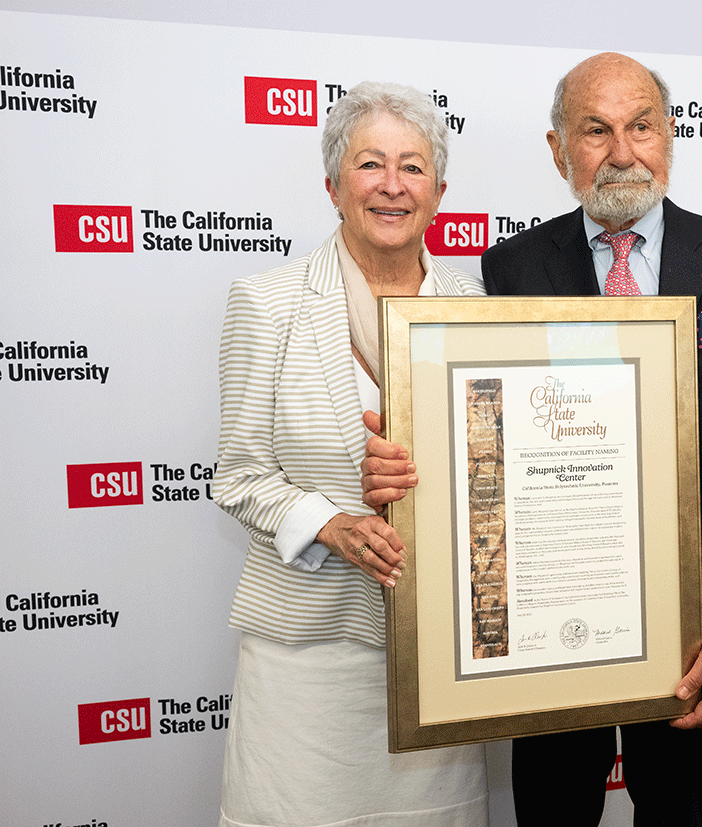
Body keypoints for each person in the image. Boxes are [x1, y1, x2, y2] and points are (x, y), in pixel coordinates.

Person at [364, 52, 702, 827]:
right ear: (558, 149)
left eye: (642, 125)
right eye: (595, 130)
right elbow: (482, 439)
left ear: (669, 135)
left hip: (691, 638)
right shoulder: (512, 267)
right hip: (548, 640)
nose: (623, 152)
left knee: (676, 816)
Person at [211, 81, 489, 827]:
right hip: (309, 659)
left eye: (413, 167)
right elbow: (237, 473)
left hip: (440, 661)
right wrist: (332, 521)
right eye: (371, 164)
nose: (392, 185)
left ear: (440, 191)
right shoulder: (266, 301)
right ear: (334, 185)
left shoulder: (478, 308)